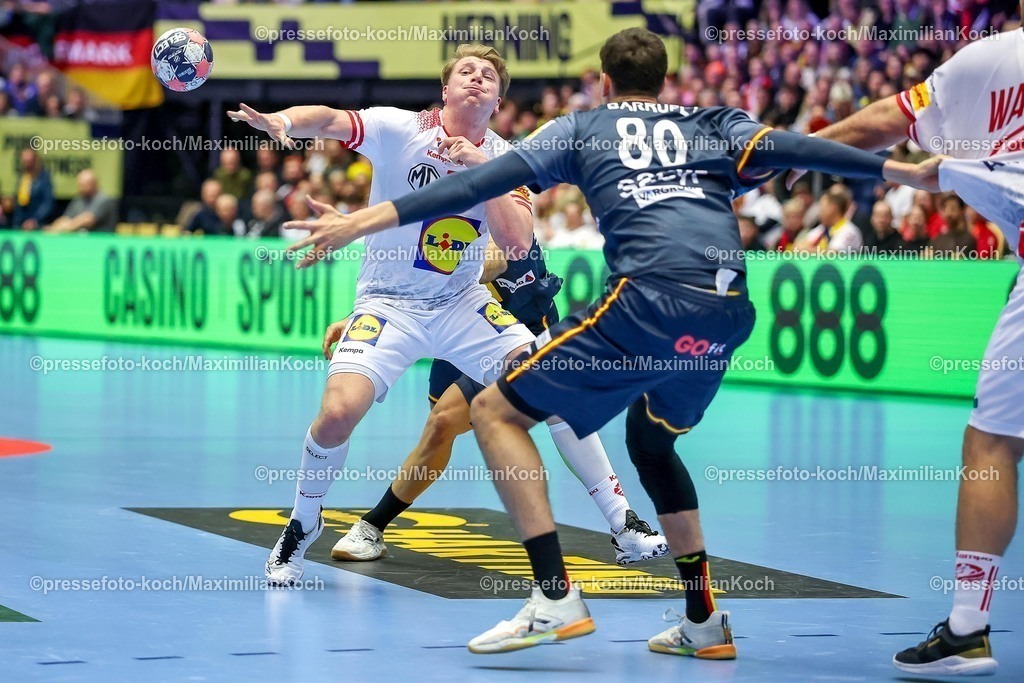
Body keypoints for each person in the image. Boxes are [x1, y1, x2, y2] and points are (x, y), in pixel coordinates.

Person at [282, 28, 940, 656]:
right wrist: (906, 176)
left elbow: (473, 188)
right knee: (652, 443)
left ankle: (555, 596)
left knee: (493, 411)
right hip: (729, 311)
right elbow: (805, 148)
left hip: (646, 302)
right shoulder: (716, 123)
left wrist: (362, 220)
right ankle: (703, 618)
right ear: (668, 82)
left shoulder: (581, 127)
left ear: (603, 81)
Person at [228, 43, 667, 588]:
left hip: (462, 303)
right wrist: (284, 120)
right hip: (389, 304)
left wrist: (488, 170)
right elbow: (334, 120)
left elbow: (517, 241)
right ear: (445, 88)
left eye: (488, 75)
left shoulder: (510, 158)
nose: (477, 79)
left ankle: (623, 524)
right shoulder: (399, 128)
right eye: (467, 71)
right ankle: (303, 521)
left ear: (499, 99)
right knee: (339, 412)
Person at [787, 7, 1024, 673]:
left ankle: (967, 626)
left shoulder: (999, 58)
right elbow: (926, 173)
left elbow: (879, 124)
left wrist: (794, 150)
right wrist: (906, 171)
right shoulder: (995, 153)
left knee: (993, 441)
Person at [326, 236, 668, 566]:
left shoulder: (506, 186)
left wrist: (444, 274)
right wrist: (364, 314)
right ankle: (372, 527)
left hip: (517, 326)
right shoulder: (430, 182)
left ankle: (625, 525)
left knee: (557, 401)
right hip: (456, 324)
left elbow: (499, 255)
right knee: (441, 427)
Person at [45, 169, 117, 233]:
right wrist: (54, 228)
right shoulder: (78, 199)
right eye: (79, 185)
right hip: (81, 241)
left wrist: (68, 227)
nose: (81, 188)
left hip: (101, 241)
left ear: (94, 184)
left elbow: (88, 220)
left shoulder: (104, 199)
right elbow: (66, 217)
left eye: (84, 185)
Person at [11, 149, 53, 231]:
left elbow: (47, 202)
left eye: (29, 161)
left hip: (38, 223)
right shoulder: (22, 177)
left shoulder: (43, 178)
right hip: (19, 223)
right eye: (24, 161)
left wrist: (35, 219)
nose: (27, 163)